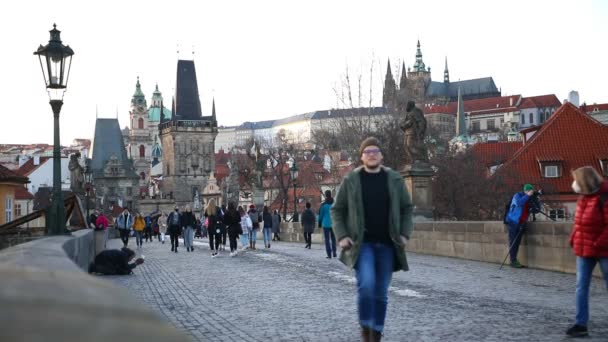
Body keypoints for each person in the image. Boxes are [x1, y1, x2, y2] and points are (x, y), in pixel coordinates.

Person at [331, 137, 413, 341]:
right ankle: (366, 327)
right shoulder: (351, 180)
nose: (372, 154)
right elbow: (337, 210)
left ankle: (376, 332)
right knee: (366, 286)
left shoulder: (393, 179)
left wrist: (404, 233)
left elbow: (406, 209)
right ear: (362, 157)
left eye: (375, 150)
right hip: (362, 244)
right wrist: (342, 235)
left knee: (381, 292)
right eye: (367, 151)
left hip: (388, 244)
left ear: (381, 155)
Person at [566, 166, 608, 338]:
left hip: (604, 250)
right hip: (584, 249)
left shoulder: (604, 197)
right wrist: (574, 237)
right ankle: (581, 324)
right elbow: (580, 222)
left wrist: (598, 243)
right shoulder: (583, 197)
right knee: (581, 287)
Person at [505, 183, 536, 268]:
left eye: (531, 191)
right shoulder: (517, 196)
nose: (530, 193)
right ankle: (513, 260)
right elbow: (519, 203)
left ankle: (514, 260)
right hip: (513, 221)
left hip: (522, 222)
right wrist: (527, 196)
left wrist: (536, 199)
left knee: (517, 242)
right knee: (513, 242)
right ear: (525, 190)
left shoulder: (530, 198)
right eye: (529, 191)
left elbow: (537, 209)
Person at [319, 190, 337, 259]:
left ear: (325, 195)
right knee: (333, 238)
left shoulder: (323, 205)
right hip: (334, 223)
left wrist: (320, 223)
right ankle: (334, 252)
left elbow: (321, 215)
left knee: (327, 239)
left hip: (325, 224)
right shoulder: (334, 204)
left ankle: (329, 254)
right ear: (331, 195)